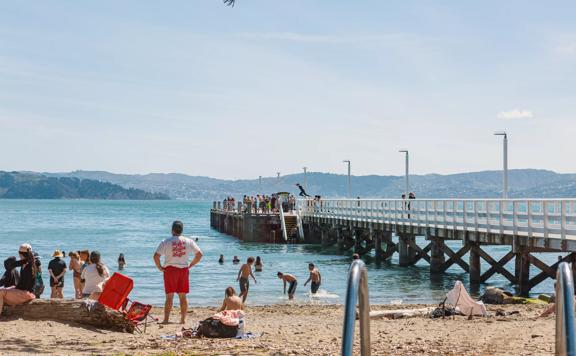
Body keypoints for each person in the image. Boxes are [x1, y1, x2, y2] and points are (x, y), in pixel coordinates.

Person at [154, 220, 203, 324]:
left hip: (170, 270)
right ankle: (182, 319)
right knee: (183, 296)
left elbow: (156, 256)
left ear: (172, 230)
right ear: (182, 230)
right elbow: (199, 254)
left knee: (169, 296)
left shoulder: (166, 241)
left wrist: (159, 267)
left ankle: (166, 319)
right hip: (183, 270)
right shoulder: (189, 241)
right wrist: (192, 264)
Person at [0, 244, 37, 316]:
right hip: (24, 291)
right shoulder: (26, 263)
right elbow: (14, 264)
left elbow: (25, 286)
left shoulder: (28, 267)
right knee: (3, 291)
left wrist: (14, 289)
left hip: (26, 294)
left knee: (1, 292)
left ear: (20, 254)